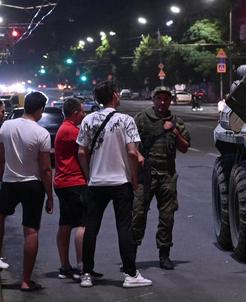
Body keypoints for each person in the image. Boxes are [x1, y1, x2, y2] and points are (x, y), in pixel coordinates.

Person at [77, 81, 151, 288]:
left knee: (91, 227)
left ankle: (86, 274)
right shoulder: (126, 120)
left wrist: (89, 175)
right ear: (114, 95)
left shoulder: (88, 120)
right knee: (124, 227)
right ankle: (130, 274)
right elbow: (131, 152)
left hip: (96, 182)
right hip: (120, 182)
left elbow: (82, 152)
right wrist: (134, 178)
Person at [0, 91, 54, 292]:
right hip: (32, 184)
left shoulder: (6, 126)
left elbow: (1, 157)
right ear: (40, 110)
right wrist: (50, 196)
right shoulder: (41, 133)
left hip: (9, 181)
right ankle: (25, 281)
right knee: (31, 231)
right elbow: (46, 169)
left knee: (0, 218)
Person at [133, 86, 190, 270]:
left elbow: (184, 147)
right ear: (154, 99)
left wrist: (175, 132)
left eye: (166, 99)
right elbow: (130, 143)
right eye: (159, 98)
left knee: (167, 217)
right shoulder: (142, 119)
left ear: (170, 101)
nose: (162, 102)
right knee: (138, 214)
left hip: (167, 175)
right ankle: (131, 254)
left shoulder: (176, 121)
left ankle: (164, 254)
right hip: (146, 175)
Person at [54, 98, 88, 280]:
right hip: (74, 182)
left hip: (63, 182)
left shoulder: (64, 128)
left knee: (65, 224)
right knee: (83, 224)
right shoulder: (71, 130)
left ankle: (65, 266)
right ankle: (82, 266)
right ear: (75, 113)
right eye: (82, 112)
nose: (84, 114)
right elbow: (87, 148)